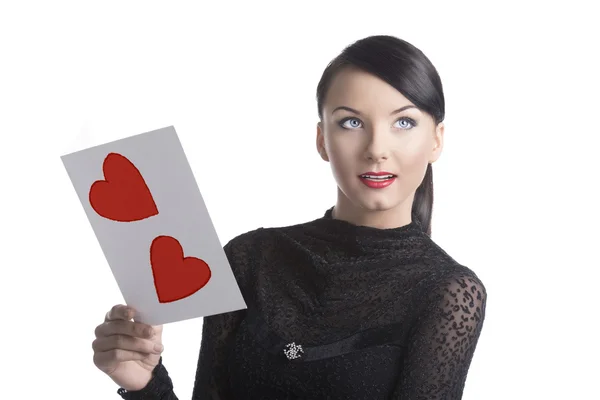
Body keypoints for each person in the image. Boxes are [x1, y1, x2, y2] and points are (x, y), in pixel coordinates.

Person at [92, 35, 487, 399]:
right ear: (322, 140)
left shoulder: (448, 294)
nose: (376, 148)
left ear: (436, 139)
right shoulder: (249, 258)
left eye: (404, 122)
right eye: (351, 122)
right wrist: (144, 381)